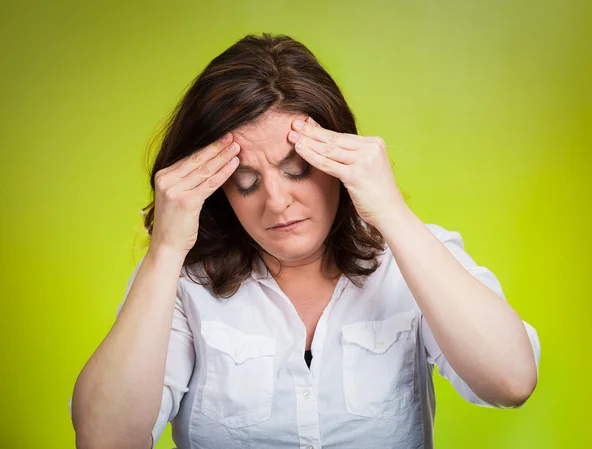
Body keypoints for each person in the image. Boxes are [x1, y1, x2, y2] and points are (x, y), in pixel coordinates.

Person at [69, 33, 541, 449]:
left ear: (338, 157)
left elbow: (511, 380)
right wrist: (165, 251)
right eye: (246, 182)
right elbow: (105, 441)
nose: (277, 202)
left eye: (298, 169)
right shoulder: (178, 281)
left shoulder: (410, 257)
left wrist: (391, 211)